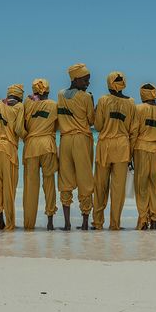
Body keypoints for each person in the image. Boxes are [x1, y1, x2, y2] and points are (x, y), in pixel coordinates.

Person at [92, 72, 136, 230]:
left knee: (100, 187)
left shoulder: (103, 100)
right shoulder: (131, 103)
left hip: (105, 146)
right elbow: (133, 130)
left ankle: (97, 223)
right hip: (123, 147)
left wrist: (95, 112)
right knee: (118, 190)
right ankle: (115, 224)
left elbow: (97, 126)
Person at [57, 63, 95, 231]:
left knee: (65, 180)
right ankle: (85, 222)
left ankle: (67, 224)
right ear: (76, 79)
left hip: (65, 140)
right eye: (85, 80)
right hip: (81, 140)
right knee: (85, 180)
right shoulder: (86, 97)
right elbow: (91, 120)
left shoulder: (60, 95)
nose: (88, 83)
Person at [131, 83, 156, 230]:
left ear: (142, 94)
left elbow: (134, 131)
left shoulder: (138, 108)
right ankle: (154, 220)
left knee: (141, 185)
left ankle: (143, 219)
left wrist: (130, 153)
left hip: (141, 149)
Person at [0, 84, 26, 230]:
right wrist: (28, 136)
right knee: (9, 187)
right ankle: (10, 223)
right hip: (8, 148)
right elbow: (18, 129)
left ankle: (0, 221)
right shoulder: (19, 107)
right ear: (20, 96)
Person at [22, 79, 58, 230]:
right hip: (48, 145)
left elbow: (21, 126)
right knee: (49, 184)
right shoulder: (54, 105)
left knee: (30, 186)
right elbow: (57, 126)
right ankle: (50, 220)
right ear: (48, 91)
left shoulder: (27, 103)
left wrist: (28, 137)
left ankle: (29, 224)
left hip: (31, 146)